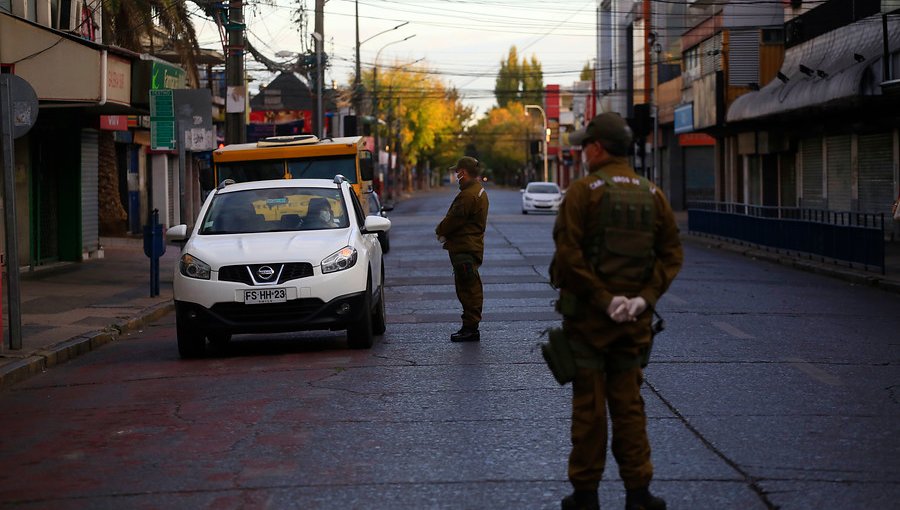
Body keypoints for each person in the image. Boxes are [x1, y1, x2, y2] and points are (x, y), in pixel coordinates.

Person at [550, 112, 683, 510]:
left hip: (591, 323)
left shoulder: (584, 191)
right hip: (634, 325)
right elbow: (671, 253)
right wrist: (644, 298)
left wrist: (603, 299)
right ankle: (639, 493)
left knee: (590, 411)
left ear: (597, 148)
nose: (583, 152)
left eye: (585, 145)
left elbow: (568, 256)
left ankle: (586, 495)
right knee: (629, 408)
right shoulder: (653, 194)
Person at [435, 156, 490, 342]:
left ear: (464, 172)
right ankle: (469, 327)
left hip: (464, 248)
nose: (456, 174)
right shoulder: (477, 190)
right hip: (469, 246)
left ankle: (470, 329)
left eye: (458, 171)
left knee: (468, 289)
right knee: (469, 287)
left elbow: (454, 219)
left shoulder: (468, 195)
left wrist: (440, 230)